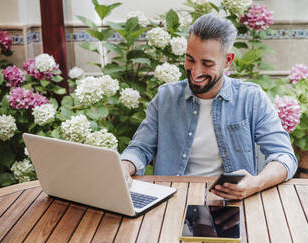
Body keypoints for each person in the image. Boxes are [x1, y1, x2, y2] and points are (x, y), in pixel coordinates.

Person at [120, 13, 297, 200]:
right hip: (172, 199)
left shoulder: (251, 98)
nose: (195, 72)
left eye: (207, 64)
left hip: (229, 202)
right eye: (190, 59)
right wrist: (124, 167)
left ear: (228, 60)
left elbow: (284, 156)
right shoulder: (166, 97)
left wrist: (255, 183)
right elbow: (140, 148)